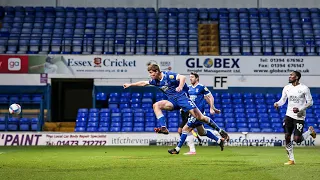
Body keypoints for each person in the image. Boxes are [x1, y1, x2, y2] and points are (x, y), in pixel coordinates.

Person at [123, 63, 229, 152]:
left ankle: (220, 131)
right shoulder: (155, 81)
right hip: (173, 101)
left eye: (151, 73)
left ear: (156, 71)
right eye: (149, 73)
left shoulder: (168, 75)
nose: (150, 75)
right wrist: (130, 84)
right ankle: (164, 128)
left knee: (201, 118)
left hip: (183, 99)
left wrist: (180, 86)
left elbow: (182, 77)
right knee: (156, 105)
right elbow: (143, 83)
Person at [274, 71, 316, 165]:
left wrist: (300, 109)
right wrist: (277, 103)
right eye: (290, 75)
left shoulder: (304, 88)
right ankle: (291, 159)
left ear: (297, 77)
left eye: (291, 75)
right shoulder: (287, 88)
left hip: (299, 116)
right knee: (287, 136)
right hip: (289, 115)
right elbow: (283, 100)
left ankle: (310, 131)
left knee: (297, 139)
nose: (289, 77)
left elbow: (310, 102)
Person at [179, 72, 221, 155]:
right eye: (190, 77)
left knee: (185, 129)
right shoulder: (188, 88)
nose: (190, 78)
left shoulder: (201, 87)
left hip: (198, 113)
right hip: (190, 112)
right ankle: (218, 139)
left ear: (197, 78)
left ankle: (187, 150)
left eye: (192, 77)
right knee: (202, 132)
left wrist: (212, 108)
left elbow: (208, 97)